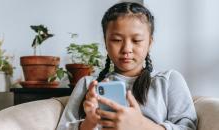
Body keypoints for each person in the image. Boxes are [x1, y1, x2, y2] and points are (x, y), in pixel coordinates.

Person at [57, 2, 197, 130]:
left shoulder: (168, 80)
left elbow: (188, 127)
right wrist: (90, 122)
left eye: (136, 40)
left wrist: (141, 125)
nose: (126, 49)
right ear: (105, 43)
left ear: (150, 43)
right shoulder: (88, 84)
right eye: (117, 40)